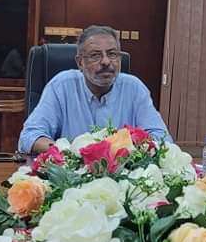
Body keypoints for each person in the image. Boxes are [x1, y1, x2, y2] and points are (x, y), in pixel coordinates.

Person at [18, 25, 169, 154]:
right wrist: (71, 153)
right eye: (95, 55)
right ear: (80, 63)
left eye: (112, 54)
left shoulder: (134, 88)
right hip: (72, 174)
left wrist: (126, 150)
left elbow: (162, 139)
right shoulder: (61, 86)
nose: (106, 62)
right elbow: (29, 137)